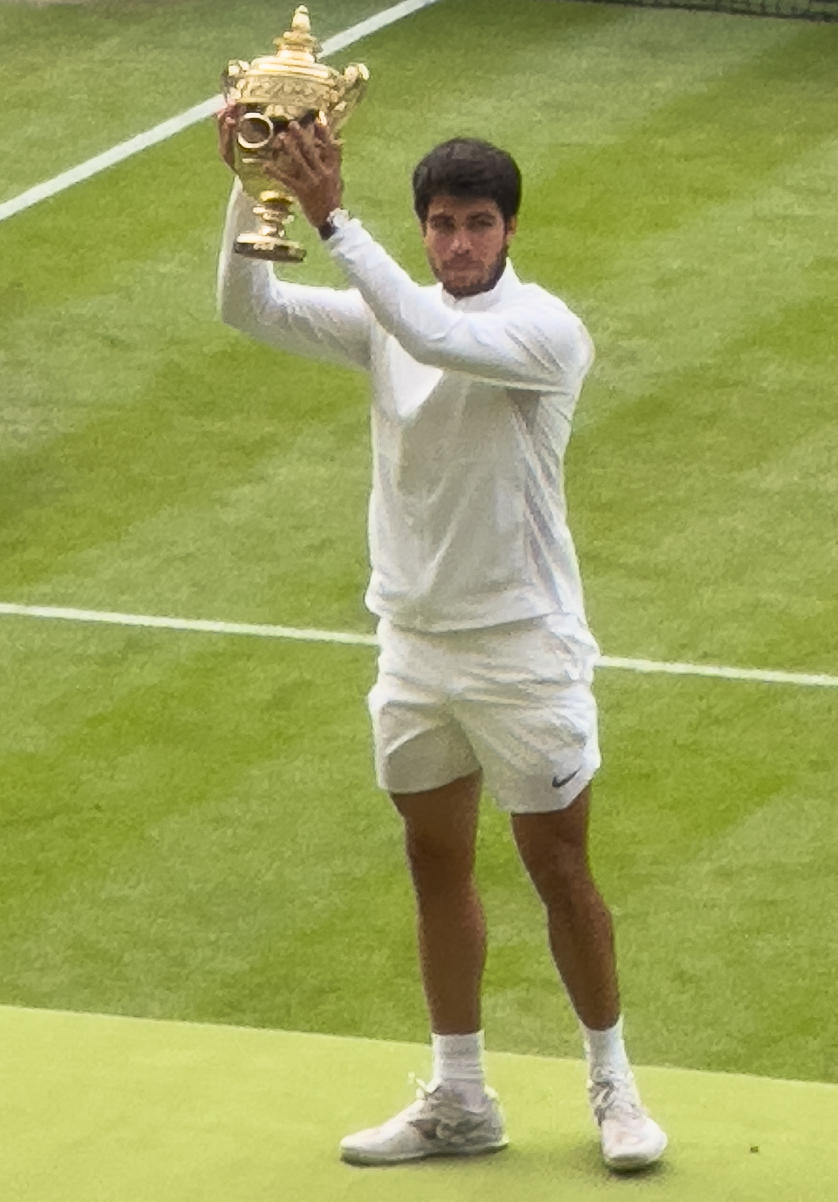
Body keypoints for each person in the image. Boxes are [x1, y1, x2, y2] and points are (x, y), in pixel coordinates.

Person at [216, 109, 667, 1174]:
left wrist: (333, 217)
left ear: (508, 231)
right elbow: (246, 303)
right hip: (413, 644)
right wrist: (255, 183)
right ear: (422, 231)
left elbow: (435, 339)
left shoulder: (543, 331)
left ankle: (613, 1081)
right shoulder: (390, 307)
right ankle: (460, 1095)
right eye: (442, 224)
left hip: (523, 649)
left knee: (559, 869)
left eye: (477, 224)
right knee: (434, 863)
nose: (458, 244)